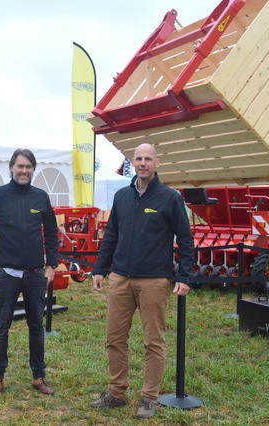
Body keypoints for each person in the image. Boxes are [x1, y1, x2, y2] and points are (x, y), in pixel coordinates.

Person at [89, 143, 193, 419]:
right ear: (132, 162)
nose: (142, 163)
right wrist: (100, 269)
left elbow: (185, 238)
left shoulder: (170, 198)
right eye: (138, 159)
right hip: (120, 278)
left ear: (157, 163)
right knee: (114, 338)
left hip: (154, 281)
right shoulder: (122, 196)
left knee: (153, 342)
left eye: (148, 159)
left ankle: (148, 398)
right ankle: (116, 393)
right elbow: (111, 235)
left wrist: (184, 276)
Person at [0, 148, 59, 400]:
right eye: (20, 166)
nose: (24, 171)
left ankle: (38, 376)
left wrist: (51, 265)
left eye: (28, 167)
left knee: (36, 327)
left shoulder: (40, 197)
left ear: (33, 169)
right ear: (11, 167)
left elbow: (51, 232)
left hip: (35, 274)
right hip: (6, 274)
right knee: (1, 327)